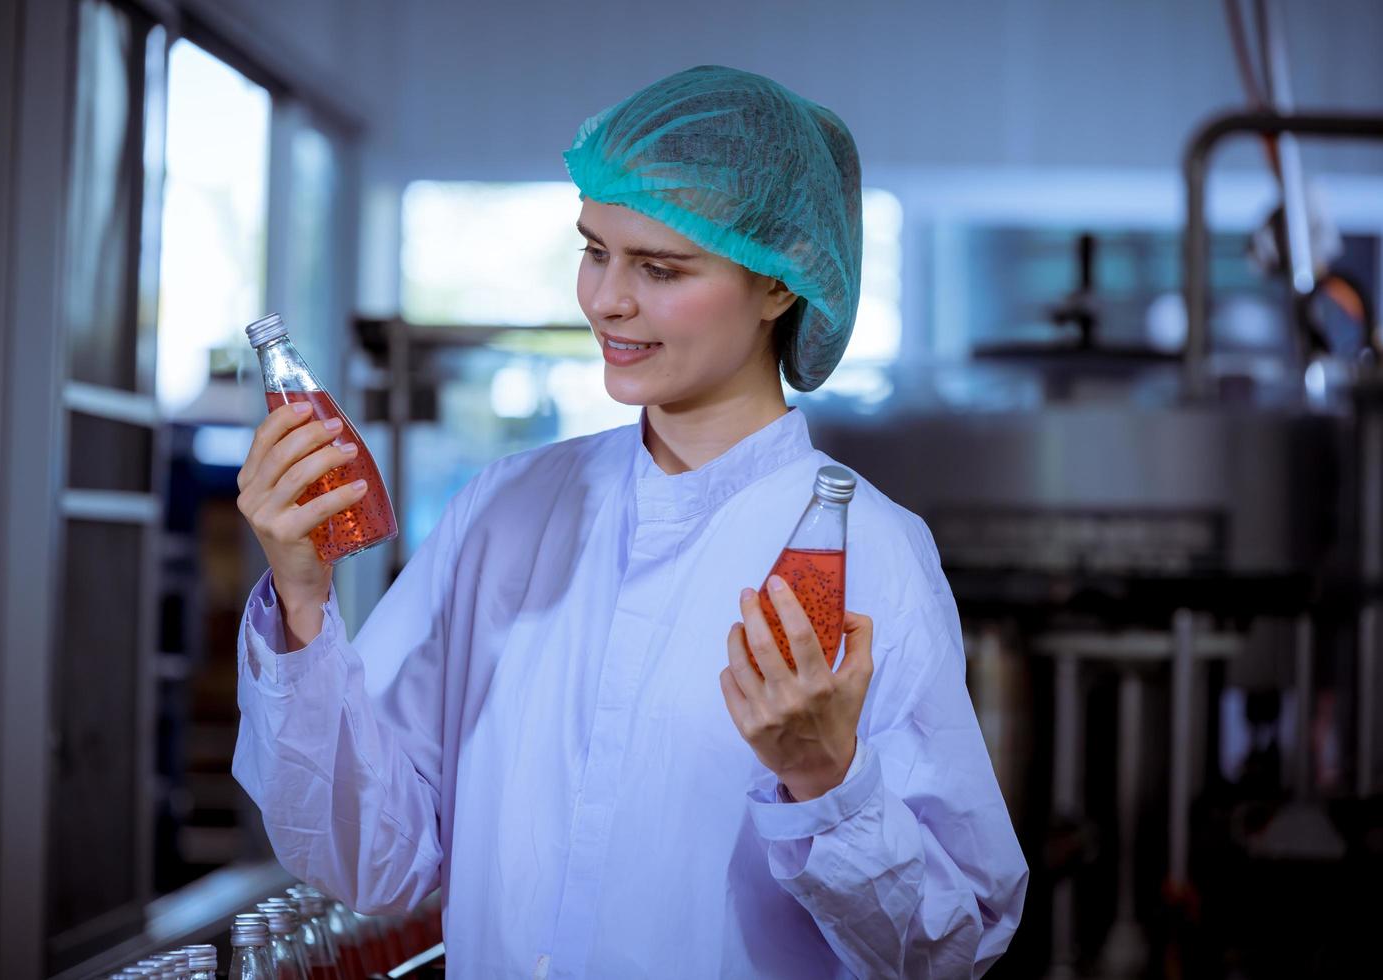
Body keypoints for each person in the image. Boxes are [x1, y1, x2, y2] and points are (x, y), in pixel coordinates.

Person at [233, 65, 1026, 979]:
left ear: (779, 285)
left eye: (660, 268)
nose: (607, 300)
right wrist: (301, 601)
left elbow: (947, 947)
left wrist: (826, 781)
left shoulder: (869, 553)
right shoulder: (507, 511)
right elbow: (375, 857)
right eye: (594, 249)